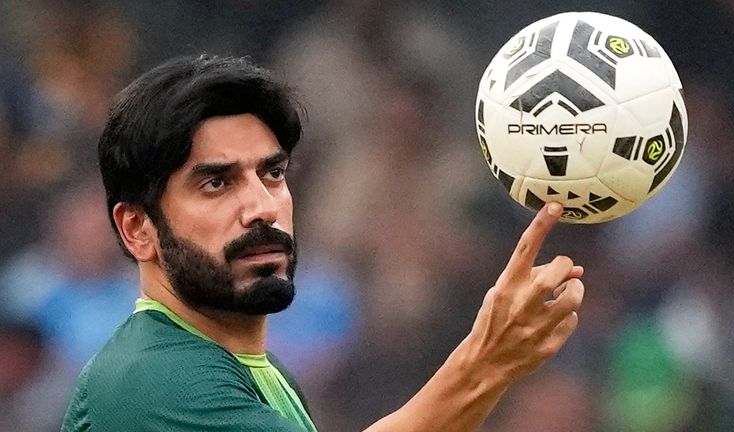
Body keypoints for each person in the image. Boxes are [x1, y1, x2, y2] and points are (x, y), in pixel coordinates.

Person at [60, 54, 584, 432]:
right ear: (137, 229)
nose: (263, 206)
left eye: (272, 174)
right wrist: (485, 360)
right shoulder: (154, 382)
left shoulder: (249, 369)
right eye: (216, 182)